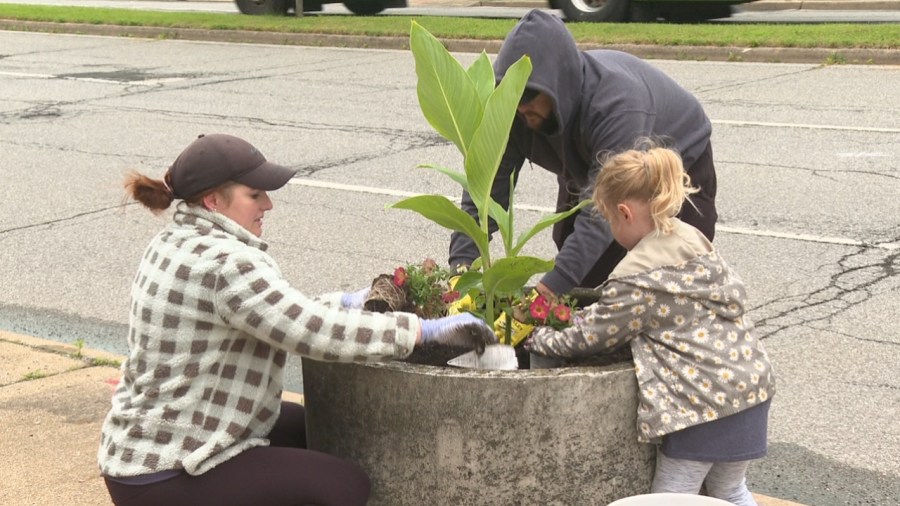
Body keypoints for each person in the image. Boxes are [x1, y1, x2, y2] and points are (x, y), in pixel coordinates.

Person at [98, 133, 495, 506]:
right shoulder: (227, 263)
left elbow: (273, 313)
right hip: (167, 471)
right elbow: (311, 332)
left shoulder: (177, 240)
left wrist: (347, 302)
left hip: (153, 444)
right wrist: (422, 331)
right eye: (255, 194)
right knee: (345, 486)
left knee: (321, 427)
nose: (268, 204)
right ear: (213, 200)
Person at [525, 142, 774, 505]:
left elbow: (592, 337)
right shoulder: (692, 240)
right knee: (730, 491)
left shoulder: (637, 276)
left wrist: (539, 338)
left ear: (624, 213)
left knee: (671, 497)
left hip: (702, 407)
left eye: (610, 221)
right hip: (750, 390)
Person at [448, 9, 718, 301]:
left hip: (672, 170)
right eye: (515, 96)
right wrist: (461, 273)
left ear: (558, 84)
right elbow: (486, 191)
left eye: (531, 96)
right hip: (590, 166)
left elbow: (599, 216)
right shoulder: (515, 111)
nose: (522, 109)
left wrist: (545, 294)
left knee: (667, 286)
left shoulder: (616, 106)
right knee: (587, 284)